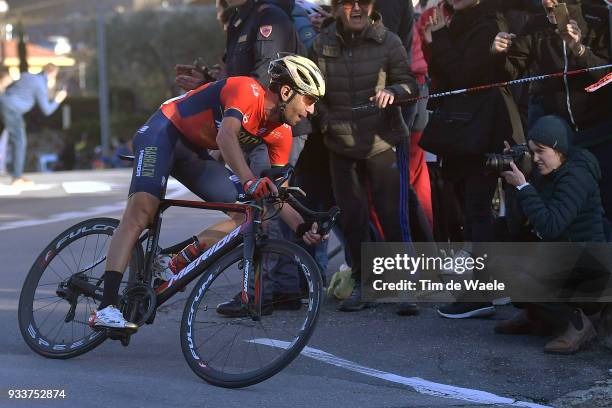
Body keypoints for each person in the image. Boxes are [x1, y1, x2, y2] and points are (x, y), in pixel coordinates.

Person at [88, 55, 327, 333]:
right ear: (287, 92)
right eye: (309, 100)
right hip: (163, 132)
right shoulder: (246, 90)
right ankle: (105, 308)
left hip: (193, 154)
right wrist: (249, 180)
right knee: (142, 211)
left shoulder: (281, 134)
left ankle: (172, 263)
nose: (311, 111)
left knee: (246, 216)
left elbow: (278, 194)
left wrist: (301, 226)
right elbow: (226, 137)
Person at [310, 0, 419, 312]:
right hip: (340, 146)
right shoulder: (321, 43)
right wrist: (325, 119)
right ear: (337, 8)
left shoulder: (390, 41)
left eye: (363, 3)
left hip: (383, 143)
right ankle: (363, 283)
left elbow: (409, 83)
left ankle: (407, 287)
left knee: (392, 217)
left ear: (372, 8)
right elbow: (310, 92)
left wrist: (395, 92)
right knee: (353, 219)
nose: (356, 9)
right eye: (348, 3)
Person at [421, 0, 523, 319]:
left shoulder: (488, 22)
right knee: (473, 209)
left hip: (483, 130)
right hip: (466, 129)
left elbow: (466, 74)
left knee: (477, 209)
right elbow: (444, 79)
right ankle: (492, 286)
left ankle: (478, 294)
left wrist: (438, 39)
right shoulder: (460, 22)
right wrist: (434, 40)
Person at [491, 0, 612, 221]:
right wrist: (499, 53)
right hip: (560, 143)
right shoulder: (535, 23)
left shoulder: (599, 16)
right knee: (564, 213)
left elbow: (608, 78)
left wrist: (580, 49)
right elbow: (509, 74)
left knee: (604, 206)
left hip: (600, 134)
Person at [498, 115, 606, 354]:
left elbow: (551, 226)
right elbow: (517, 228)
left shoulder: (576, 176)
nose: (535, 158)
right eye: (531, 152)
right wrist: (514, 183)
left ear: (559, 149)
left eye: (541, 152)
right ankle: (537, 315)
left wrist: (524, 188)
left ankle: (582, 322)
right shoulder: (546, 172)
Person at [0, 64, 67, 185]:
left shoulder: (27, 76)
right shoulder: (40, 84)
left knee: (12, 141)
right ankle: (16, 177)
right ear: (52, 75)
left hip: (3, 102)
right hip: (12, 111)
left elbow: (13, 89)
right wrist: (58, 99)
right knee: (19, 142)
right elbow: (47, 110)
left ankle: (17, 175)